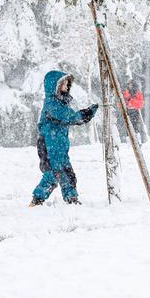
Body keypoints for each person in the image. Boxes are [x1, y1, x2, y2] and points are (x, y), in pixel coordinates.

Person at [30, 71, 98, 206]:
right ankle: (40, 199)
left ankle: (68, 199)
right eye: (64, 83)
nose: (67, 86)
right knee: (55, 173)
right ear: (55, 86)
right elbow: (69, 117)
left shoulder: (60, 103)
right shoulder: (52, 104)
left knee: (64, 172)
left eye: (68, 83)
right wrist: (86, 114)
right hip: (49, 145)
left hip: (59, 146)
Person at [119, 78, 147, 143]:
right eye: (129, 84)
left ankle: (136, 140)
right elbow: (122, 102)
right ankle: (129, 141)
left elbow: (140, 103)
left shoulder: (137, 92)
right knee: (127, 127)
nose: (129, 85)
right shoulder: (126, 92)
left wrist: (130, 101)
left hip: (134, 112)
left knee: (135, 126)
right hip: (127, 111)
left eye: (131, 84)